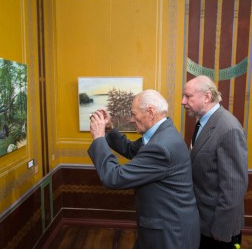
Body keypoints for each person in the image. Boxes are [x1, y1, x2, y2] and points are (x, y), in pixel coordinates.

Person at [88, 89, 200, 249]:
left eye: (134, 114)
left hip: (170, 234)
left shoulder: (161, 146)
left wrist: (99, 138)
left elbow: (113, 178)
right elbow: (131, 149)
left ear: (150, 112)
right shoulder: (162, 134)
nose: (131, 119)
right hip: (161, 226)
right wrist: (109, 129)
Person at [181, 75, 248, 249]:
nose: (183, 101)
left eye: (188, 96)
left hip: (218, 229)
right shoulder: (204, 122)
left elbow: (233, 189)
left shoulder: (228, 129)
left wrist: (221, 230)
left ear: (207, 97)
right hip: (203, 222)